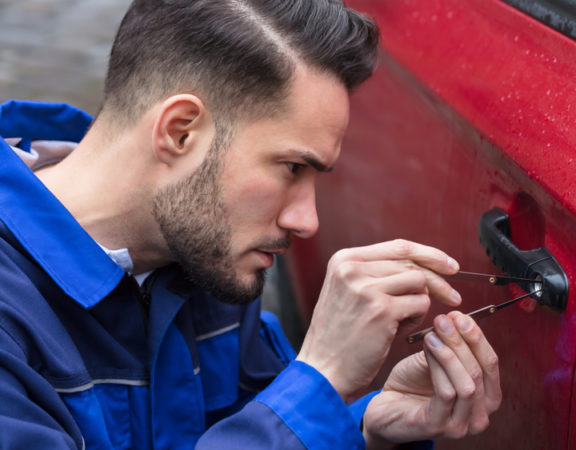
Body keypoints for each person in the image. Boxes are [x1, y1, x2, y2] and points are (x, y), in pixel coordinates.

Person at [0, 0, 502, 449]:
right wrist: (320, 376)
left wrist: (364, 428)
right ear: (180, 132)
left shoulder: (205, 258)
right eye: (291, 168)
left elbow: (267, 422)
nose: (306, 221)